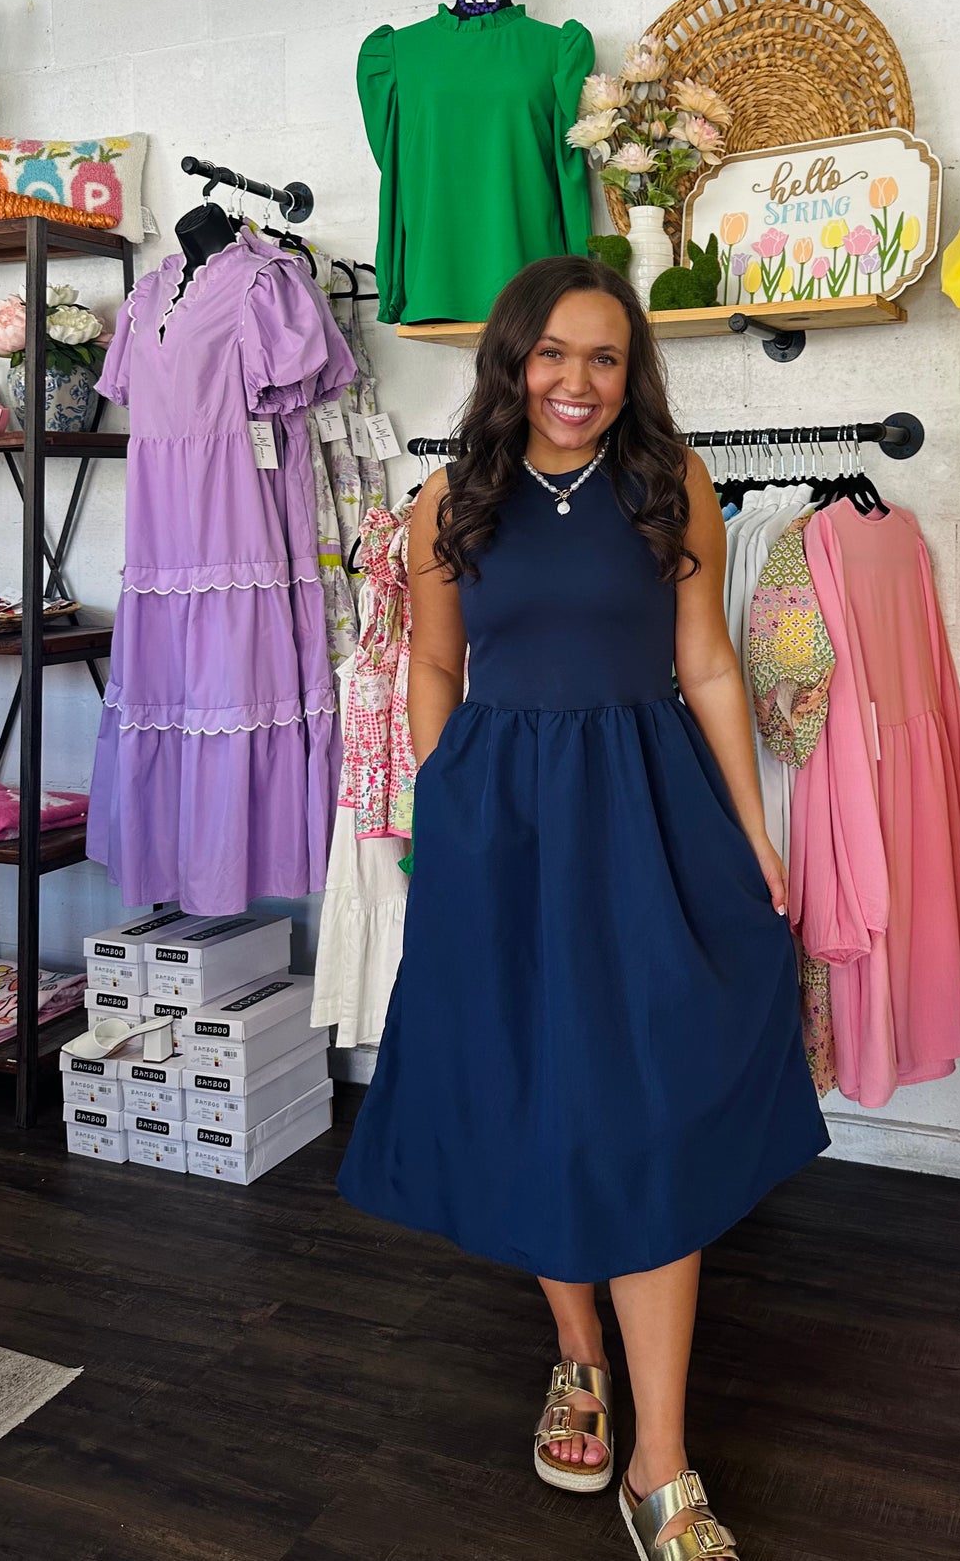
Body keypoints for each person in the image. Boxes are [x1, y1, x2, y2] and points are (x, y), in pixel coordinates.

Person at [338, 255, 829, 1560]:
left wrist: (752, 829)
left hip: (644, 809)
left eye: (604, 358)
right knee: (538, 1098)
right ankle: (576, 1357)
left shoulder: (673, 487)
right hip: (500, 817)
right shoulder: (449, 500)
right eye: (553, 354)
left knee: (650, 1108)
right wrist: (445, 809)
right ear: (511, 361)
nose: (576, 382)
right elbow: (434, 666)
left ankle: (661, 1466)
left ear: (633, 373)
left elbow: (710, 664)